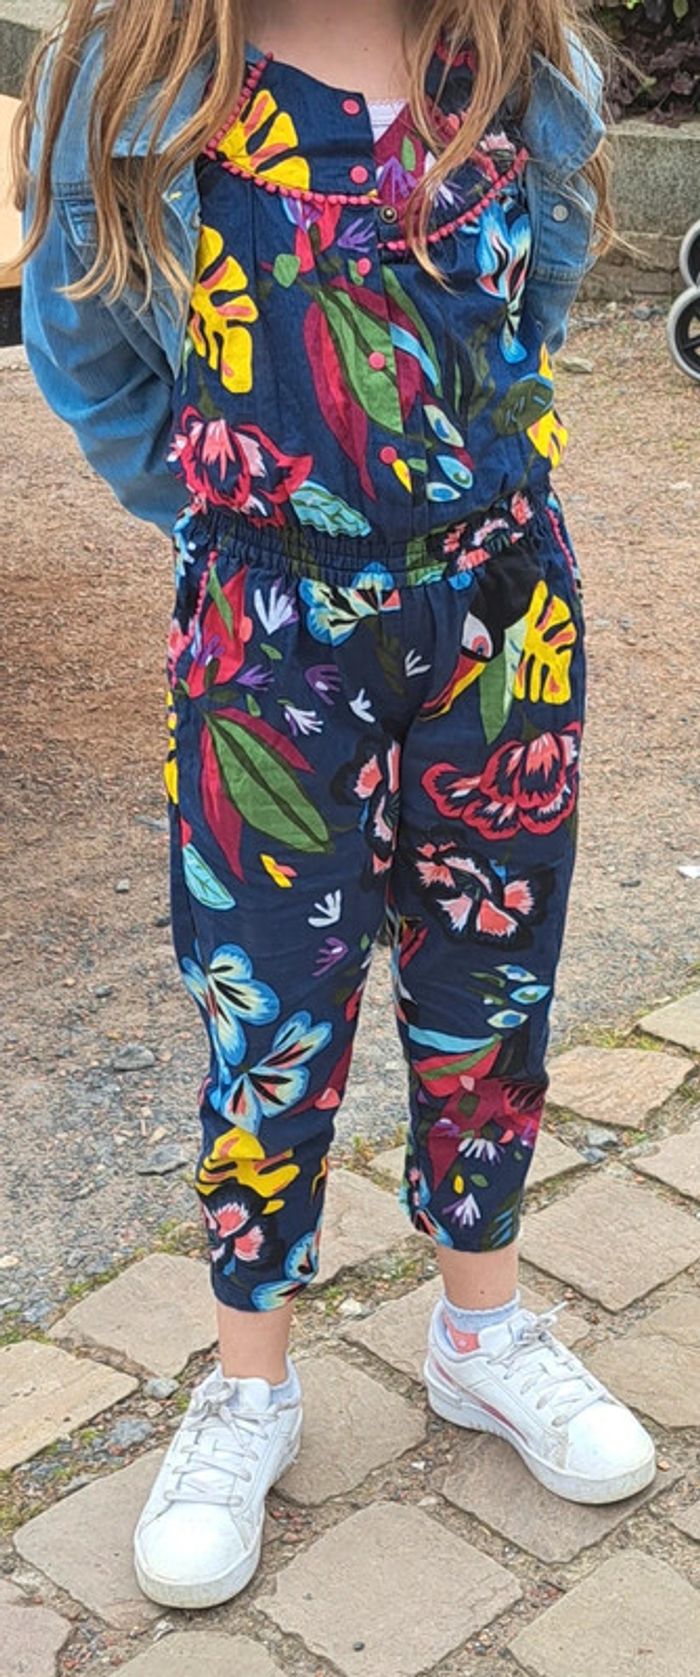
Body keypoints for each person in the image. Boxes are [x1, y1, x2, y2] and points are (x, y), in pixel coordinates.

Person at [15, 0, 655, 1614]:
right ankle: (251, 1386)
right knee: (267, 1003)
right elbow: (86, 349)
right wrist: (242, 508)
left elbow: (533, 313)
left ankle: (481, 1328)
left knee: (490, 981)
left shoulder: (523, 63)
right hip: (268, 628)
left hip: (499, 612)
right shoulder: (141, 73)